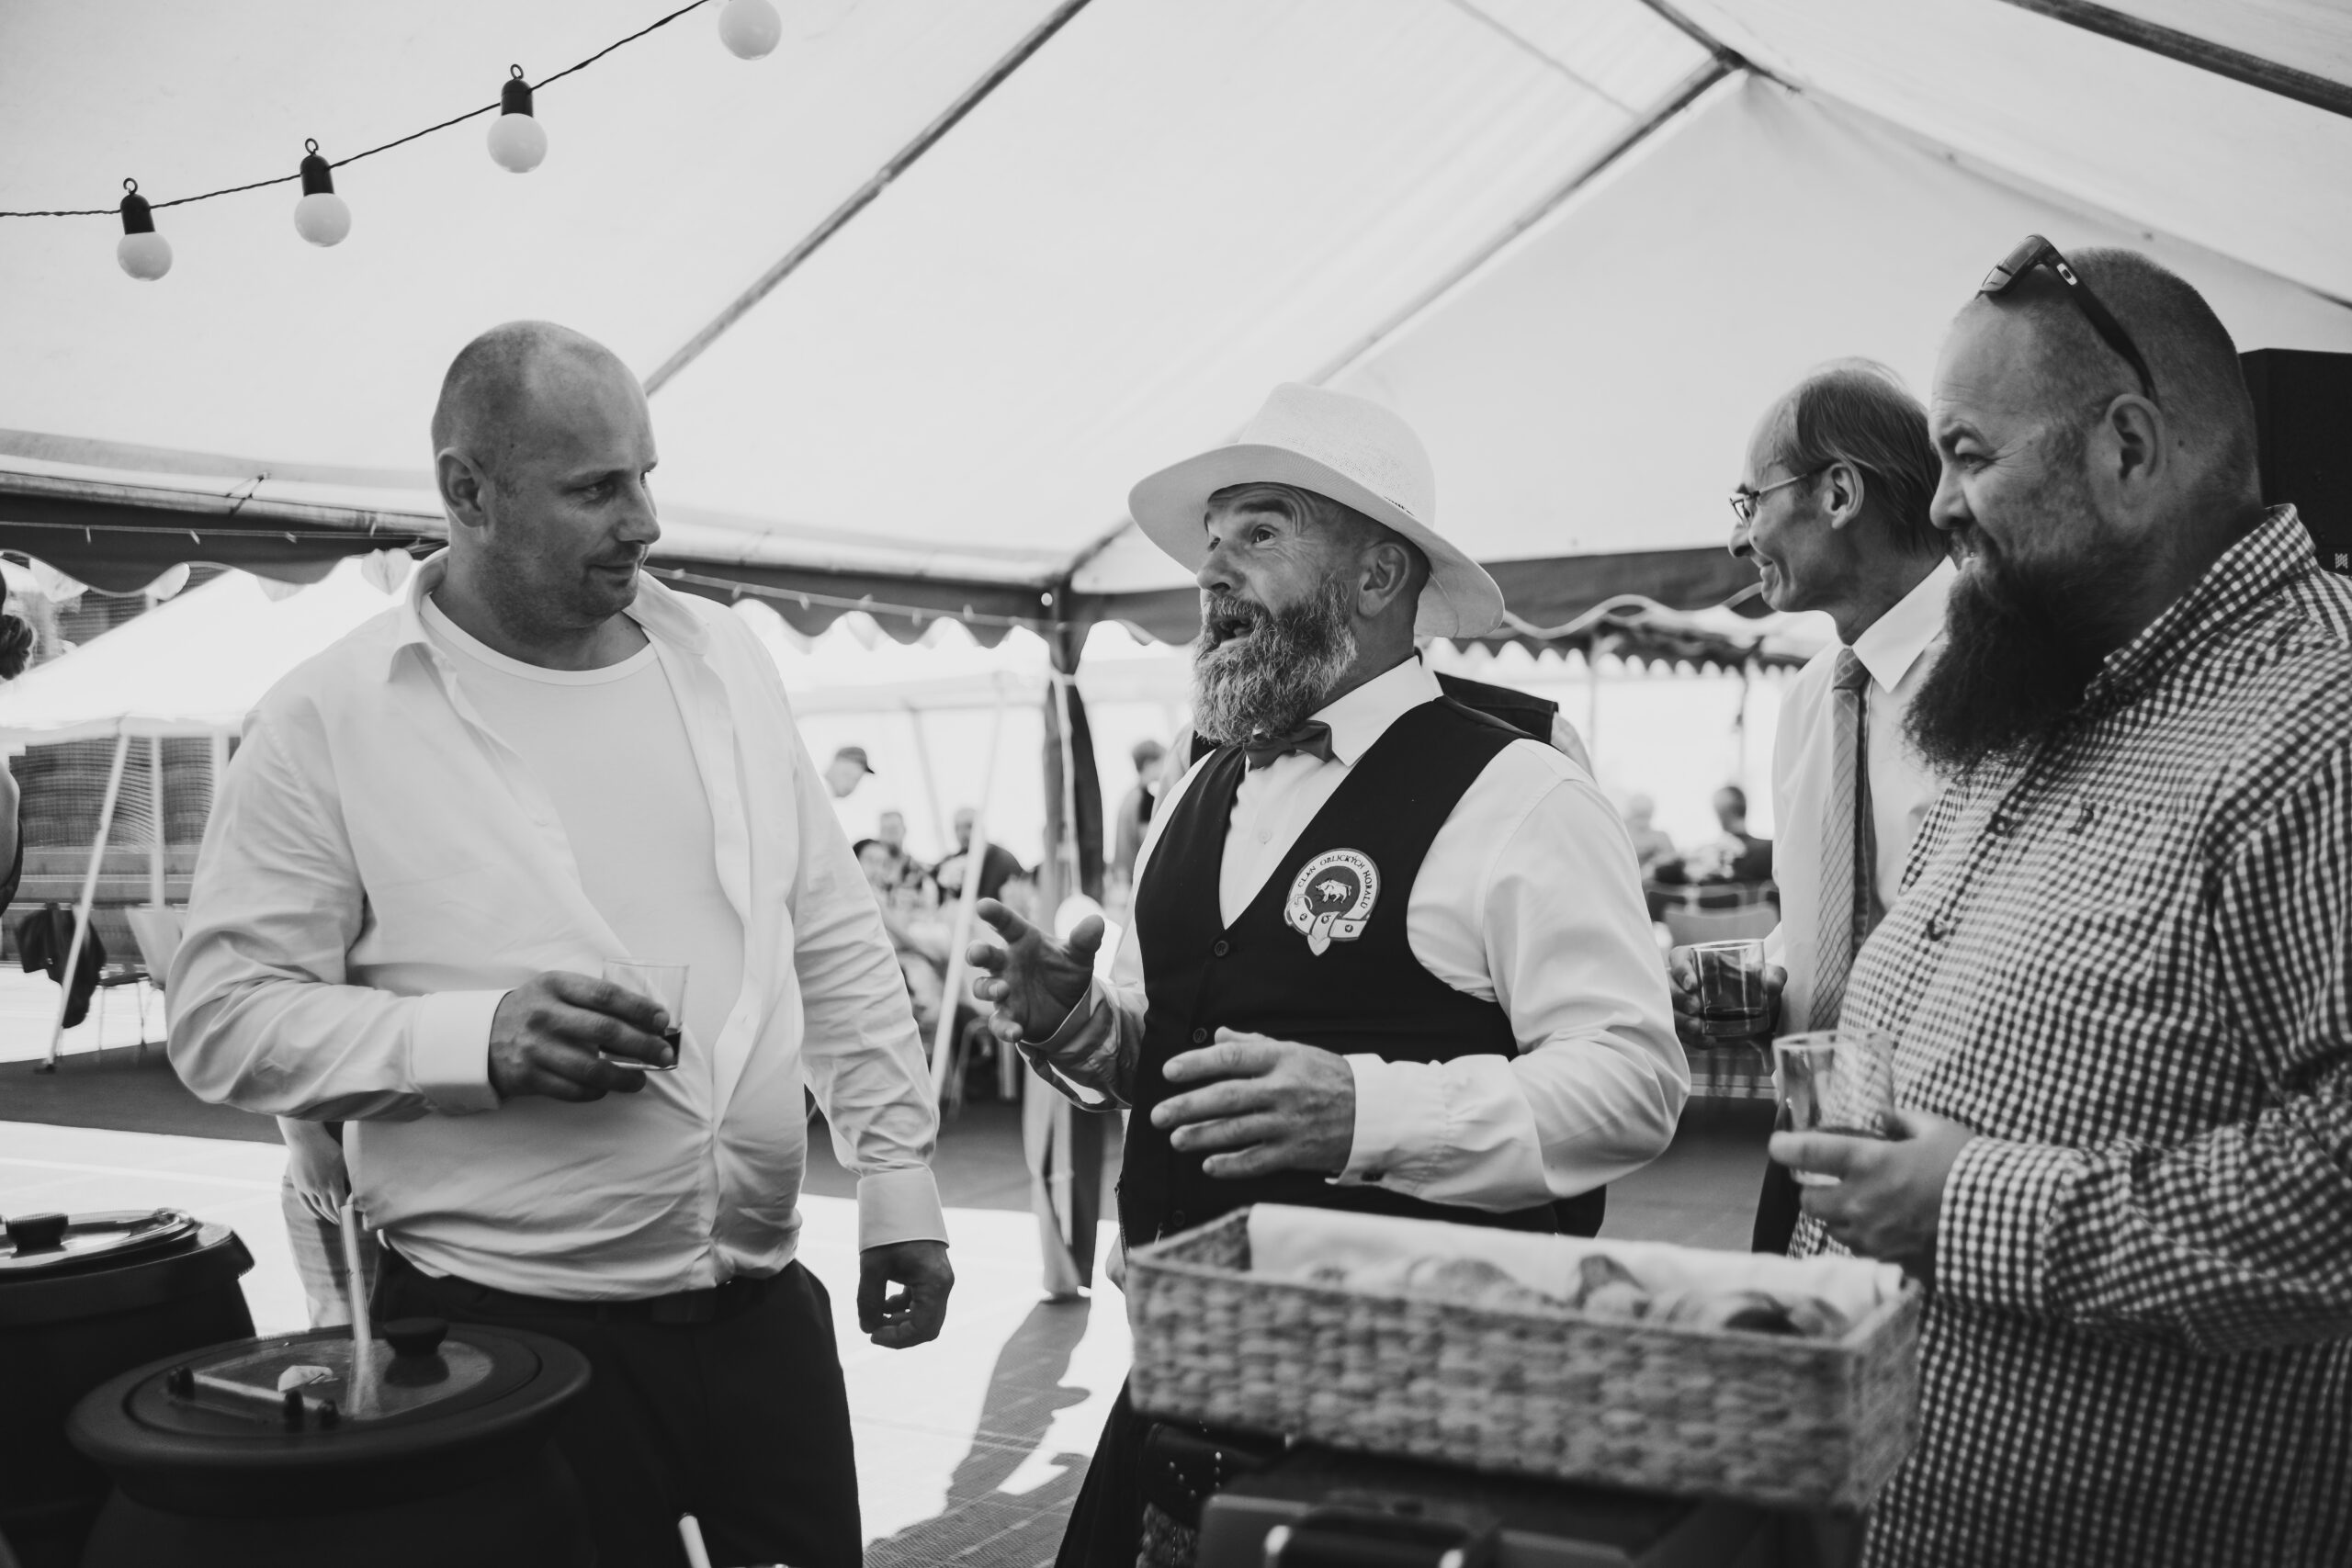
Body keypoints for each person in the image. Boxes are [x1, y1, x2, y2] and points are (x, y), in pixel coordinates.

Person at [170, 321, 954, 1568]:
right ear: (467, 491)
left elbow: (827, 922)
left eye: (646, 475)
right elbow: (222, 1020)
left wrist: (897, 1175)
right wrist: (474, 1039)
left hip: (763, 1318)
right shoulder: (328, 716)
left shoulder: (722, 655)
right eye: (595, 488)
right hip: (501, 1346)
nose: (644, 521)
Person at [966, 383, 1684, 1566]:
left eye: (1260, 532)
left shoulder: (1521, 792)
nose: (1211, 573)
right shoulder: (1192, 793)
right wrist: (1078, 1027)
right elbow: (1176, 1064)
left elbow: (1633, 1082)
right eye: (1212, 542)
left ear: (1377, 575)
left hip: (1419, 1415)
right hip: (1185, 1389)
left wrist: (1362, 1112)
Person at [1770, 243, 2352, 1566]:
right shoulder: (2038, 700)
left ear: (2128, 450)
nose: (1941, 508)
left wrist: (1971, 1205)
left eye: (1967, 456)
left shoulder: (2318, 720)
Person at [1670, 359, 1952, 1246]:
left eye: (1749, 501)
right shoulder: (1810, 694)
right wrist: (1766, 979)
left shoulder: (2003, 671)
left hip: (1947, 1156)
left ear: (1838, 494)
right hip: (1809, 1137)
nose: (1738, 537)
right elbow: (1824, 910)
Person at [934, 805, 1023, 904]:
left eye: (969, 826)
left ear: (982, 828)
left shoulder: (1003, 860)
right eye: (957, 828)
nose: (962, 834)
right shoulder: (949, 863)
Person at [1114, 737, 1166, 881]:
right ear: (1149, 764)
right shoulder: (1146, 799)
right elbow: (1148, 843)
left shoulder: (1129, 797)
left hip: (1125, 875)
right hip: (1137, 876)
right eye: (1163, 761)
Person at [824, 743, 877, 843]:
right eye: (848, 775)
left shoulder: (824, 796)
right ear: (838, 763)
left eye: (856, 779)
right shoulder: (819, 793)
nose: (851, 785)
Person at [1619, 792, 1677, 876]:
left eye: (1645, 814)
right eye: (1639, 814)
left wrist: (1654, 864)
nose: (1642, 820)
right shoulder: (1622, 837)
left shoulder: (1662, 837)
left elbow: (1673, 858)